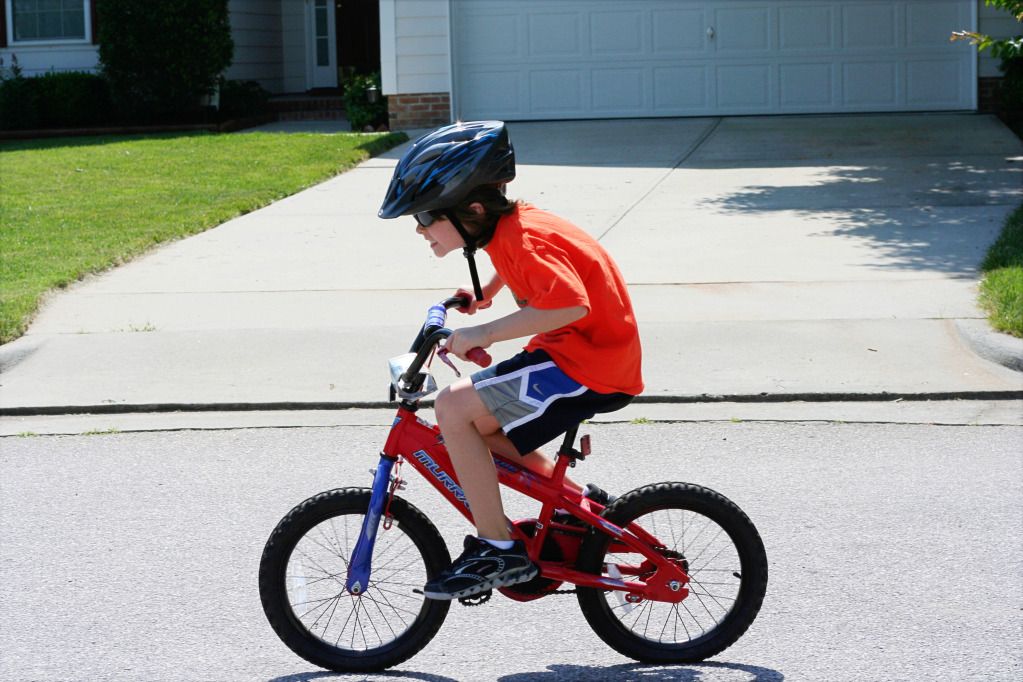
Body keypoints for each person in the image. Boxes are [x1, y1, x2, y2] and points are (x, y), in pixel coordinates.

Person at [378, 120, 643, 601]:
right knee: (472, 426)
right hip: (574, 356)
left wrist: (481, 332)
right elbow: (523, 264)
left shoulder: (522, 237)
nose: (419, 230)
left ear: (472, 210)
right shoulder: (512, 228)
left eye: (426, 217)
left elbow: (571, 303)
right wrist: (485, 295)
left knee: (453, 409)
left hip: (587, 364)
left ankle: (499, 548)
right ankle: (577, 506)